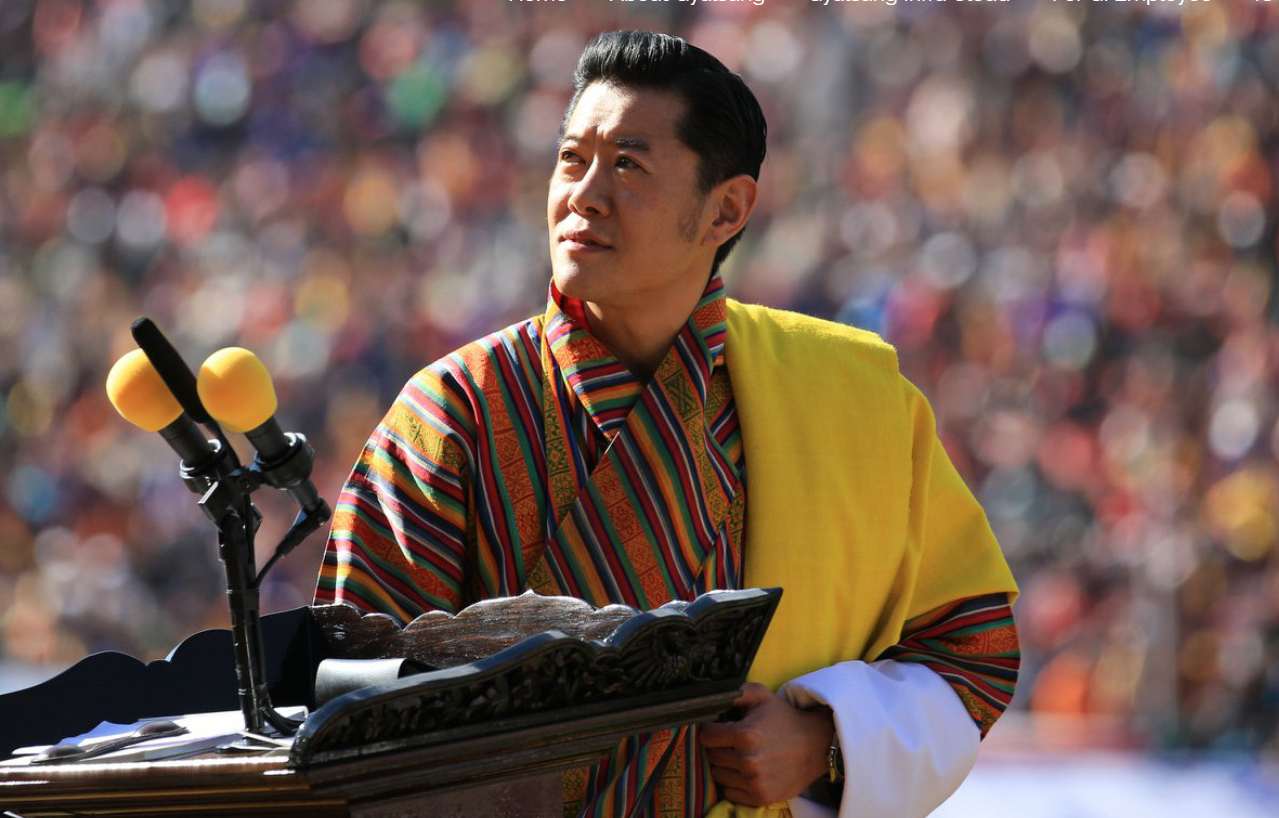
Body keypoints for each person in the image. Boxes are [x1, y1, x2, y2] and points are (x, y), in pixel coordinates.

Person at [316, 30, 1019, 818]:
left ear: (726, 208)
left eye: (628, 164)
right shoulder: (452, 414)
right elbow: (349, 699)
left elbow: (974, 648)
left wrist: (824, 738)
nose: (583, 193)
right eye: (571, 158)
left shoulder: (857, 400)